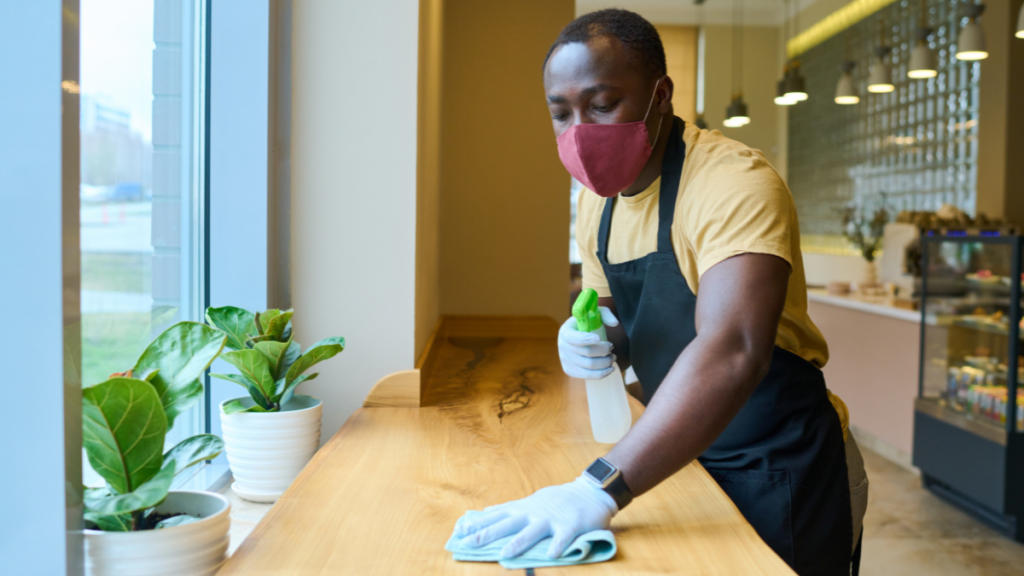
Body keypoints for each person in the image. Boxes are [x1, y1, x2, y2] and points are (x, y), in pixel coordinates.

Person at [451, 9, 868, 575]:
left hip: (777, 463)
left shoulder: (733, 183)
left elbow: (734, 349)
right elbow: (615, 310)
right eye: (561, 113)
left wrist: (598, 488)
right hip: (671, 452)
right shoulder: (595, 202)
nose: (581, 130)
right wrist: (590, 333)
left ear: (660, 94)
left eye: (601, 105)